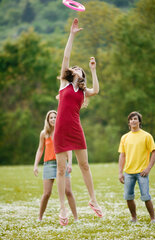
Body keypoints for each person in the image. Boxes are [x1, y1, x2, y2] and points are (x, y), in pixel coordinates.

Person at [54, 18, 103, 226]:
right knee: (61, 169)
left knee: (84, 165)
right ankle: (63, 208)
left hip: (75, 129)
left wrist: (92, 69)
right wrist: (72, 34)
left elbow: (97, 90)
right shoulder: (64, 83)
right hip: (60, 130)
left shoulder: (83, 91)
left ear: (80, 75)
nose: (73, 68)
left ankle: (93, 200)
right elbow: (66, 56)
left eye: (77, 68)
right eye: (72, 67)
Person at [33, 110, 78, 224]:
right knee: (46, 193)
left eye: (55, 117)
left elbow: (69, 148)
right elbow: (40, 149)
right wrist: (35, 165)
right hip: (49, 165)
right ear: (48, 120)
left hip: (62, 164)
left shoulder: (63, 131)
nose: (53, 119)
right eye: (51, 118)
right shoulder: (44, 134)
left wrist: (70, 163)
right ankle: (40, 217)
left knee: (68, 191)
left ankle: (76, 218)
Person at [118, 111, 155, 223]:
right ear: (129, 123)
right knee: (128, 197)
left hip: (142, 172)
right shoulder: (125, 137)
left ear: (139, 122)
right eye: (131, 119)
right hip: (128, 172)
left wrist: (148, 168)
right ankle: (134, 218)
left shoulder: (146, 136)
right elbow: (122, 155)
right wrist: (120, 172)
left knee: (146, 196)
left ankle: (153, 218)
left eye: (135, 119)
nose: (133, 121)